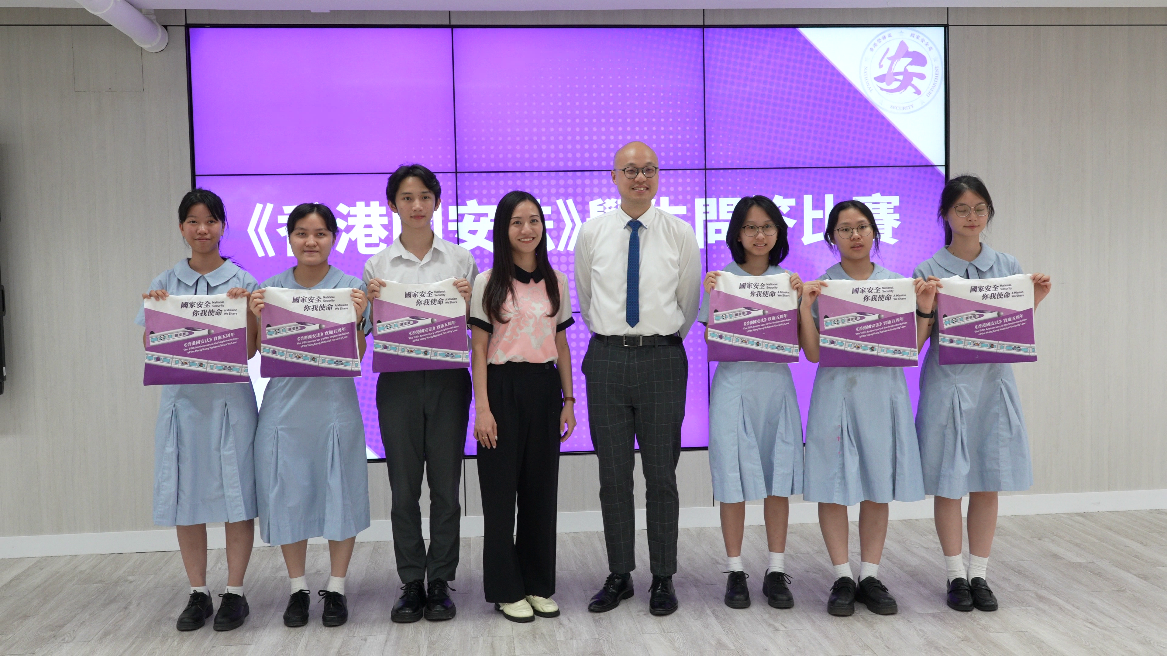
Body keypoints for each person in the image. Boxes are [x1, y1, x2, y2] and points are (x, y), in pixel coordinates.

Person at [913, 175, 1052, 612]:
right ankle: (955, 575)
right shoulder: (928, 270)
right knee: (949, 482)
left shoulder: (1008, 264)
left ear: (989, 212)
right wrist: (925, 305)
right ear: (945, 215)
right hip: (947, 384)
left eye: (979, 208)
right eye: (961, 209)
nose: (971, 217)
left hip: (993, 385)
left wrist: (1035, 298)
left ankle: (980, 574)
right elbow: (916, 341)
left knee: (988, 479)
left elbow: (1011, 330)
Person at [574, 141, 702, 616]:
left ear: (658, 176)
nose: (640, 177)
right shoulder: (592, 232)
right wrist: (618, 339)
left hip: (662, 359)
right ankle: (620, 574)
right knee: (612, 476)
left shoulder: (679, 233)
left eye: (649, 169)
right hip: (607, 358)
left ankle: (663, 576)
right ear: (613, 177)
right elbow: (586, 298)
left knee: (661, 476)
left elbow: (688, 302)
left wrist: (657, 341)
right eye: (630, 170)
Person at [797, 199, 931, 617]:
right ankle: (841, 576)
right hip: (835, 393)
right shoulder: (823, 286)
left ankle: (869, 575)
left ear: (875, 232)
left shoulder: (896, 285)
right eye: (844, 229)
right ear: (832, 237)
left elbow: (910, 349)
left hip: (882, 393)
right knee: (832, 484)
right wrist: (804, 306)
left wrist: (924, 308)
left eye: (862, 227)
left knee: (877, 484)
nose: (854, 235)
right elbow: (813, 354)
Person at [135, 188, 259, 632]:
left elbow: (251, 350)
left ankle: (235, 593)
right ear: (181, 227)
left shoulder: (244, 281)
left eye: (210, 220)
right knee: (185, 497)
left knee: (237, 496)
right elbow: (151, 347)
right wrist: (157, 313)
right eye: (193, 221)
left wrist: (247, 310)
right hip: (182, 404)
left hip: (230, 402)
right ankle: (198, 592)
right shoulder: (164, 282)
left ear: (223, 225)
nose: (202, 229)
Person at [248, 203, 371, 628]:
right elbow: (261, 351)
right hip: (284, 408)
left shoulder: (351, 288)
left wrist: (357, 317)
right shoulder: (271, 289)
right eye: (301, 233)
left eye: (320, 233)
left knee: (341, 492)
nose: (311, 241)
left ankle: (336, 588)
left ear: (333, 238)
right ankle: (297, 588)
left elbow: (358, 355)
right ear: (290, 238)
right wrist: (257, 315)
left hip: (335, 407)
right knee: (289, 494)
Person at [364, 164, 477, 623]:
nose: (417, 205)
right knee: (404, 487)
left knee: (447, 486)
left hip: (449, 380)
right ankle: (411, 580)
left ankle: (440, 580)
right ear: (392, 204)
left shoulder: (461, 260)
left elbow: (476, 325)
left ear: (437, 202)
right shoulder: (377, 266)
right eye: (407, 198)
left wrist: (468, 302)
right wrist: (368, 304)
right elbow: (370, 329)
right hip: (399, 383)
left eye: (425, 197)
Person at [468, 191, 577, 623]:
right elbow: (479, 349)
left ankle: (536, 584)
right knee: (499, 497)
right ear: (503, 229)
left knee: (540, 493)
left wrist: (569, 400)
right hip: (501, 387)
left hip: (544, 389)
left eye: (534, 220)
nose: (527, 229)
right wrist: (483, 409)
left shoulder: (557, 280)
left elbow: (562, 344)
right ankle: (505, 589)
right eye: (517, 221)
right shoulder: (488, 282)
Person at [699, 196, 804, 610]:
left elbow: (803, 342)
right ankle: (735, 570)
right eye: (750, 227)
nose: (759, 235)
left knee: (777, 478)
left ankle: (776, 569)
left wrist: (803, 299)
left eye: (767, 227)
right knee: (732, 478)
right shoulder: (721, 280)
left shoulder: (788, 282)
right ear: (737, 234)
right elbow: (709, 339)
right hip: (733, 384)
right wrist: (713, 298)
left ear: (778, 232)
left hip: (775, 386)